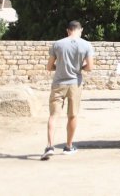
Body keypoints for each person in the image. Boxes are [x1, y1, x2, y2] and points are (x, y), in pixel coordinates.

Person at [43, 20, 94, 160]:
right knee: (72, 115)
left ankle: (49, 146)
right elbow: (90, 67)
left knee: (53, 115)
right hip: (75, 84)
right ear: (81, 30)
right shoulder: (86, 45)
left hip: (58, 83)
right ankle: (68, 146)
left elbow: (49, 67)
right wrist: (79, 68)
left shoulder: (58, 44)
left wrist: (58, 67)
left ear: (68, 30)